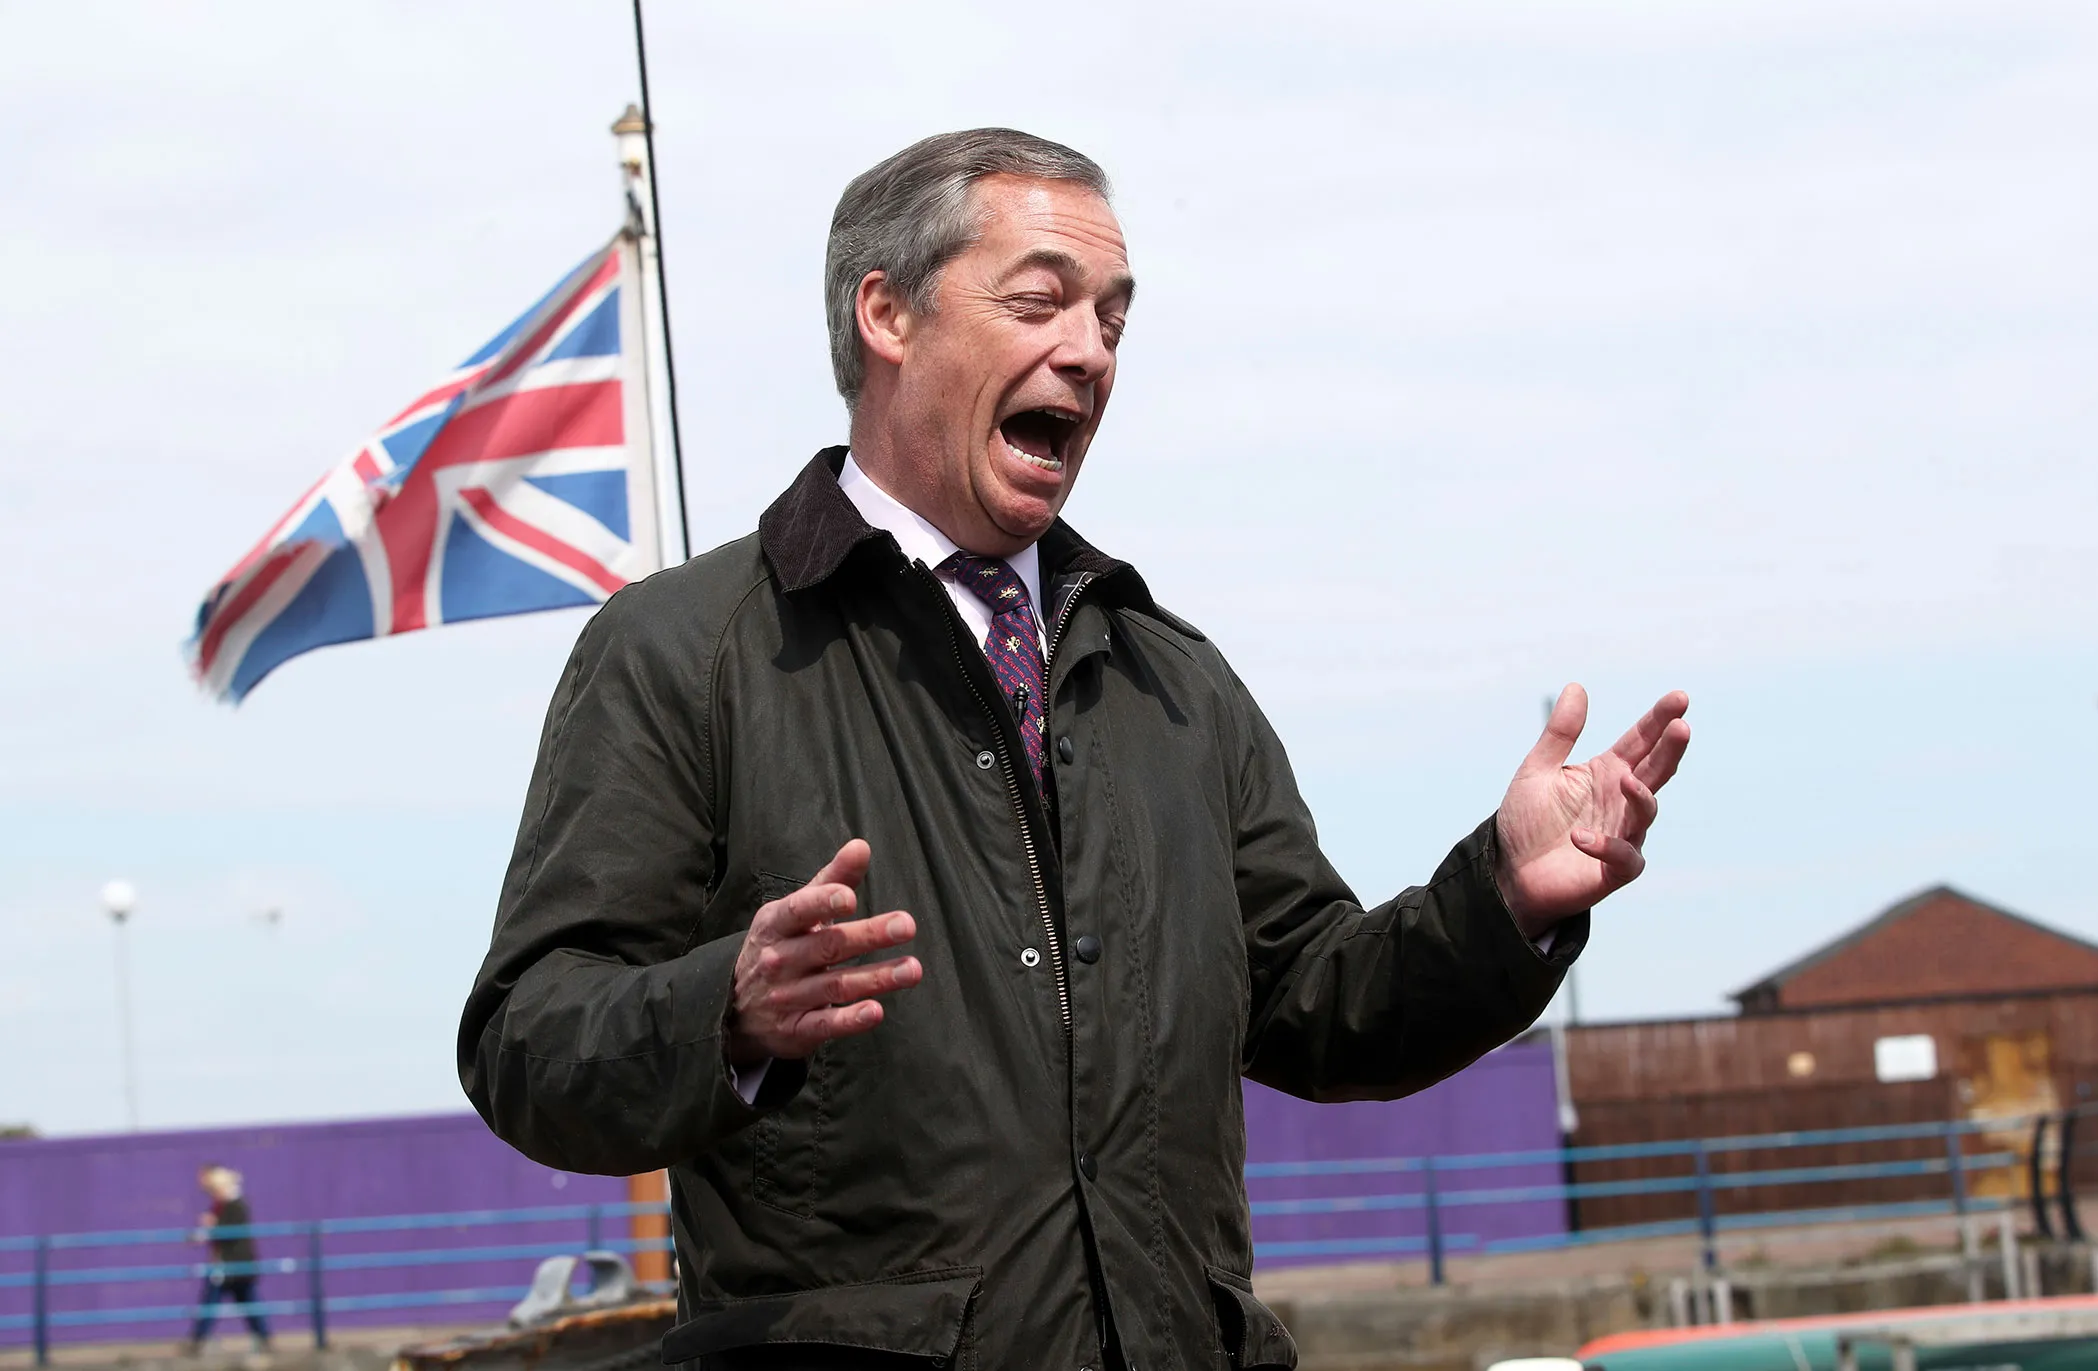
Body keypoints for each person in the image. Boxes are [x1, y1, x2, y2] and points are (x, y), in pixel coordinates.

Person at [459, 129, 1690, 1370]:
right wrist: (720, 1010)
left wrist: (1506, 899)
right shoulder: (687, 653)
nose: (1090, 351)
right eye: (1040, 301)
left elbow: (1319, 1003)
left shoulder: (1173, 682)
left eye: (1113, 317)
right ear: (885, 314)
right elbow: (529, 1038)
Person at [185, 1165, 271, 1357]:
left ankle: (199, 1341)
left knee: (239, 1301)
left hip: (234, 1265)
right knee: (229, 1302)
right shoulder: (222, 1205)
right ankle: (199, 1340)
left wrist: (210, 1226)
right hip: (227, 1265)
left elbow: (227, 1231)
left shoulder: (235, 1205)